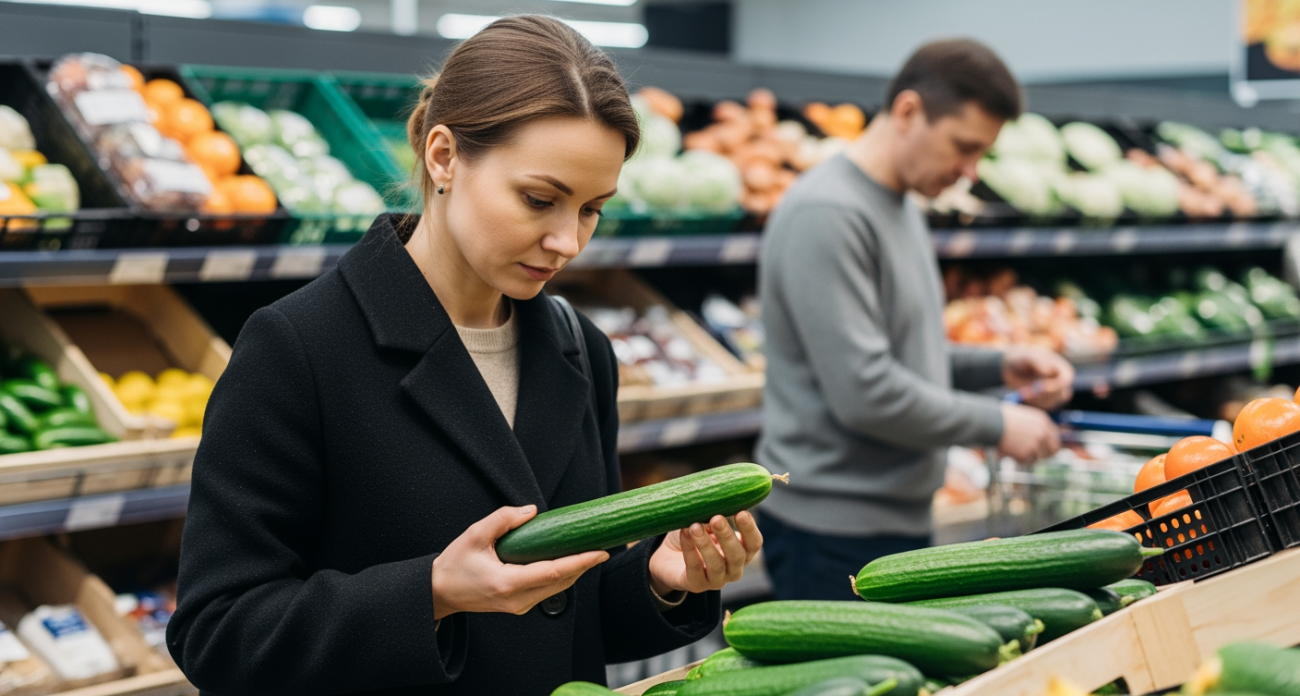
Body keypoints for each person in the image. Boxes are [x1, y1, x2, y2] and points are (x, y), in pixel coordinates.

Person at [166, 16, 761, 696]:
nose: (568, 241)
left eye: (593, 208)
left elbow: (569, 610)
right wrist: (432, 593)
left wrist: (660, 578)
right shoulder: (298, 347)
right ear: (443, 156)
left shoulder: (580, 349)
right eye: (540, 200)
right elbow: (217, 634)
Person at [757, 39, 1073, 601]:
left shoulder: (897, 204)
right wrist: (999, 424)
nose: (970, 171)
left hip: (891, 519)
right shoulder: (829, 213)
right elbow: (865, 391)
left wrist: (1002, 364)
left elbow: (906, 353)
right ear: (908, 111)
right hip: (832, 532)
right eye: (963, 147)